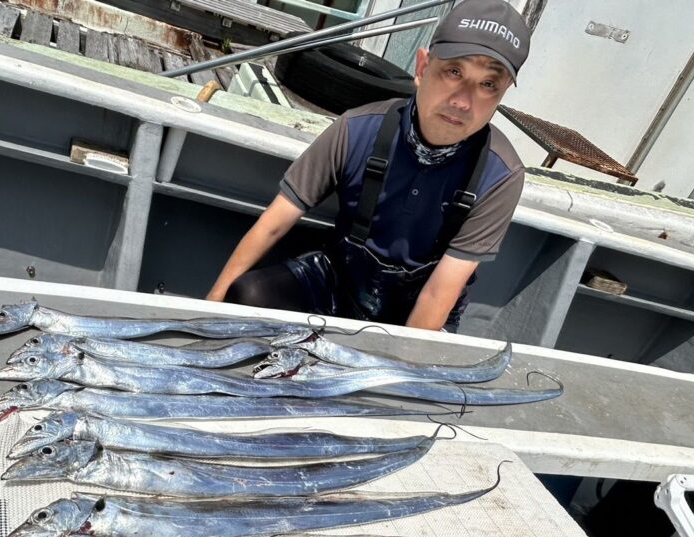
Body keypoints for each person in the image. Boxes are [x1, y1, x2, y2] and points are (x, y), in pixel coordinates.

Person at [206, 0, 530, 333]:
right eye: (454, 72)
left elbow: (438, 293)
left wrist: (391, 368)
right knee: (248, 293)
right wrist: (210, 310)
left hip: (419, 313)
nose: (463, 101)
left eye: (488, 84)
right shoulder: (356, 129)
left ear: (502, 94)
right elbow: (273, 224)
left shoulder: (500, 176)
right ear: (422, 68)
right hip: (339, 285)